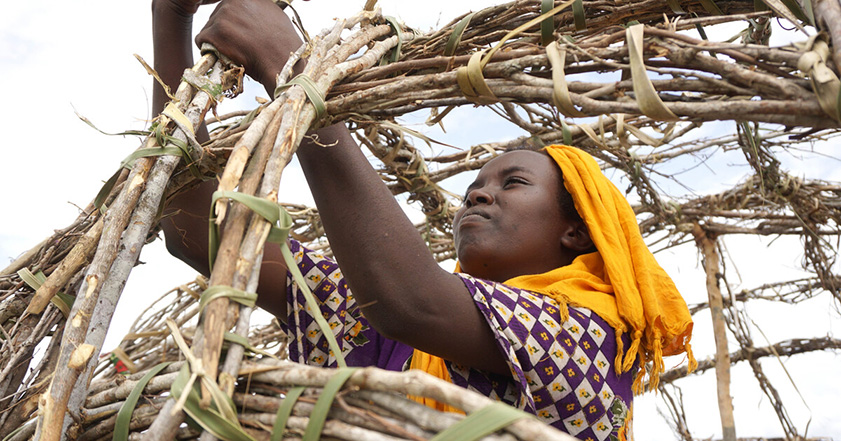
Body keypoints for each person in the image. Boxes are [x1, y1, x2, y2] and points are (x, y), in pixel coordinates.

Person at [152, 0, 696, 438]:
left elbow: (409, 301)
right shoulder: (393, 326)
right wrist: (172, 17)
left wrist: (294, 72)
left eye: (513, 183)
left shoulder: (589, 341)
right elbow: (197, 231)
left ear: (575, 229)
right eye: (475, 186)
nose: (477, 196)